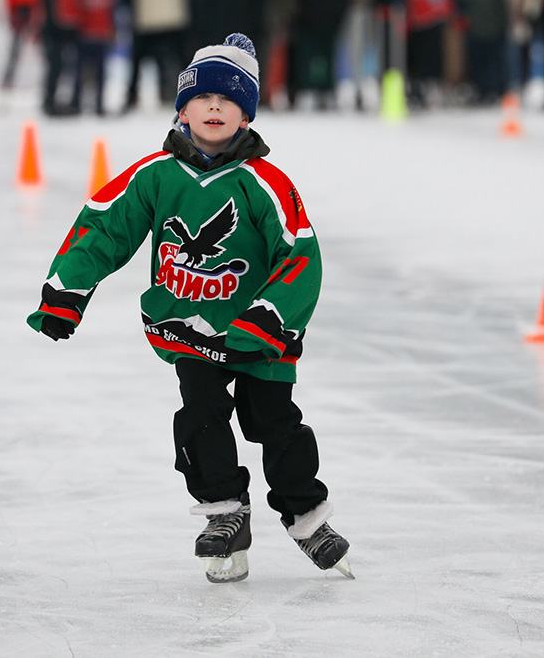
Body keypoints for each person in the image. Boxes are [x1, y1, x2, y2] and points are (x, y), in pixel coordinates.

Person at [27, 33, 352, 584]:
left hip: (258, 335)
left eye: (231, 100)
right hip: (191, 328)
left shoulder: (264, 183)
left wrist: (272, 316)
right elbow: (104, 226)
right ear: (182, 110)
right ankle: (224, 512)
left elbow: (300, 253)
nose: (216, 107)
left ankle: (305, 515)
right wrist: (66, 292)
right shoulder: (155, 175)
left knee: (275, 423)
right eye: (203, 99)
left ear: (247, 116)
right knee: (199, 418)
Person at [122, 0, 190, 113]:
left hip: (149, 15)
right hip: (171, 13)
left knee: (139, 58)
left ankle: (133, 96)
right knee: (175, 58)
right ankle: (180, 93)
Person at [0, 0, 42, 91]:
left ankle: (43, 81)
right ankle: (8, 79)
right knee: (15, 49)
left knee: (42, 49)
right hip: (20, 12)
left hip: (31, 12)